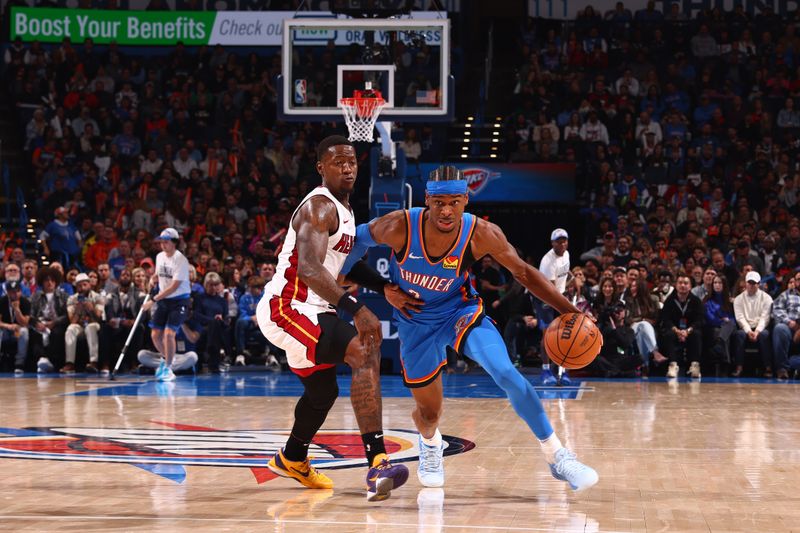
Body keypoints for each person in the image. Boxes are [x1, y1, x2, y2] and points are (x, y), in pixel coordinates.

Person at [343, 165, 598, 492]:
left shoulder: (481, 233)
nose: (446, 210)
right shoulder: (398, 226)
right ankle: (430, 443)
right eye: (438, 203)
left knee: (506, 372)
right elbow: (350, 247)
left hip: (459, 311)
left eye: (453, 202)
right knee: (429, 414)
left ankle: (558, 456)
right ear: (427, 200)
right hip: (415, 321)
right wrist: (382, 288)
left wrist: (573, 312)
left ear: (465, 200)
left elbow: (522, 272)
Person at [255, 136, 417, 501]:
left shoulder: (343, 211)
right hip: (288, 306)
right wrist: (356, 309)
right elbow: (311, 269)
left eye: (352, 162)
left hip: (312, 309)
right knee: (364, 349)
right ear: (320, 169)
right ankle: (378, 465)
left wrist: (383, 286)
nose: (347, 167)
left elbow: (344, 264)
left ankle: (292, 458)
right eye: (338, 162)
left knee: (322, 391)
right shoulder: (318, 207)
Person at [141, 227, 191, 382]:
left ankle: (168, 368)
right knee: (155, 334)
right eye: (161, 242)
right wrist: (153, 278)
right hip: (164, 299)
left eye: (166, 242)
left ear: (174, 243)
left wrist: (153, 300)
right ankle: (168, 358)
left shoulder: (181, 260)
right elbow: (159, 273)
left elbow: (174, 286)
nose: (163, 245)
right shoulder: (159, 256)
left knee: (169, 334)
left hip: (179, 300)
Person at [538, 228, 572, 385]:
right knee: (548, 335)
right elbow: (550, 291)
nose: (562, 243)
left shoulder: (566, 254)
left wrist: (573, 278)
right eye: (559, 241)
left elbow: (564, 269)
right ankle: (545, 370)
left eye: (564, 240)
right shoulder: (547, 261)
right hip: (544, 298)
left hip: (559, 296)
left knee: (563, 335)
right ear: (552, 243)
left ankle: (562, 371)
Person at [659, 273, 704, 378]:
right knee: (668, 334)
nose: (683, 285)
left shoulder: (696, 301)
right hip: (675, 329)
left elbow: (700, 319)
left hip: (690, 329)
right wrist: (676, 330)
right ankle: (673, 365)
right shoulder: (670, 301)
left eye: (686, 283)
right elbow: (666, 319)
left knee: (697, 334)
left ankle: (695, 365)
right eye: (680, 283)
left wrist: (688, 331)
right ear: (676, 285)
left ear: (690, 286)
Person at [731, 271, 773, 378]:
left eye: (754, 283)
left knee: (764, 335)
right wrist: (749, 331)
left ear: (759, 284)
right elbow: (740, 318)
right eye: (749, 282)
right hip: (746, 327)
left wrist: (757, 331)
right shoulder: (738, 299)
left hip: (760, 327)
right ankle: (739, 367)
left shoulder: (767, 298)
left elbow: (765, 317)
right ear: (745, 283)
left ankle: (768, 368)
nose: (751, 285)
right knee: (739, 335)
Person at [64, 273, 104, 373]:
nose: (82, 287)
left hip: (94, 324)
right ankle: (70, 363)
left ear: (89, 284)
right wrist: (78, 309)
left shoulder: (98, 297)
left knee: (90, 327)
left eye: (84, 284)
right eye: (79, 285)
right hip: (80, 325)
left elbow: (98, 318)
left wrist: (91, 309)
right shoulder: (71, 299)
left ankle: (93, 362)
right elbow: (72, 321)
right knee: (70, 329)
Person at [0, 281, 31, 374]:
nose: (15, 294)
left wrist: (17, 310)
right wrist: (8, 326)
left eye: (17, 291)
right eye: (12, 291)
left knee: (24, 332)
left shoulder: (25, 302)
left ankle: (19, 364)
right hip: (5, 329)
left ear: (21, 291)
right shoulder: (2, 301)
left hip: (19, 329)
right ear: (8, 292)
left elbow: (25, 323)